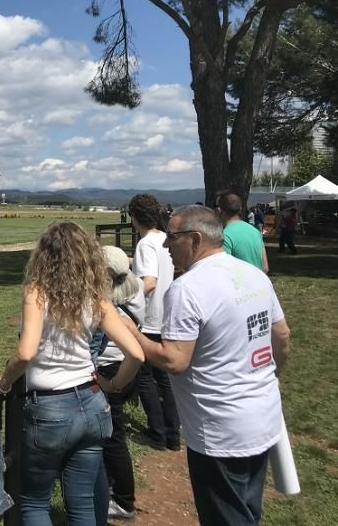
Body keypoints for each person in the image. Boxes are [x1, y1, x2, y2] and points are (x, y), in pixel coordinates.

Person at [130, 206, 291, 525]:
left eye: (171, 237)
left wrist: (133, 334)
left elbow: (173, 360)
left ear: (194, 239)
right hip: (263, 416)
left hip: (219, 431)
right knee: (246, 508)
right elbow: (282, 336)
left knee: (227, 516)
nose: (165, 246)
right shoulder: (253, 274)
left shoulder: (187, 289)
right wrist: (267, 377)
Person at [0, 223, 144, 525]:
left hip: (50, 407)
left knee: (34, 502)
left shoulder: (37, 292)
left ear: (44, 256)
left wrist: (5, 383)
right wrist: (113, 385)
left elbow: (26, 352)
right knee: (83, 503)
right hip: (92, 403)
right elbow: (137, 353)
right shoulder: (97, 297)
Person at [96, 246, 147, 522]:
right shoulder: (135, 287)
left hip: (113, 369)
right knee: (114, 435)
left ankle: (123, 499)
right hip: (125, 369)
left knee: (112, 439)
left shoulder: (109, 301)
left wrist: (112, 384)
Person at [127, 193, 181, 451]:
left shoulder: (145, 243)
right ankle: (173, 433)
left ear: (135, 217)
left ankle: (157, 432)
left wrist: (126, 298)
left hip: (149, 319)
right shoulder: (165, 238)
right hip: (167, 316)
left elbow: (149, 281)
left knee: (145, 378)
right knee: (165, 379)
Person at [215, 191, 269, 272]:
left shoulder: (224, 236)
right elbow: (265, 267)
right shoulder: (255, 232)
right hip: (259, 282)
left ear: (218, 210)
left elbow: (223, 270)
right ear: (240, 209)